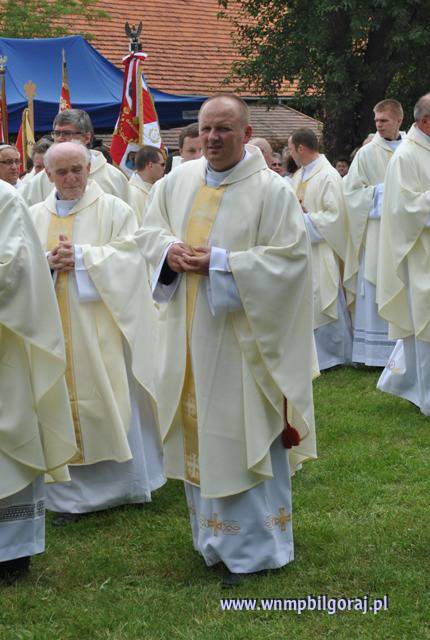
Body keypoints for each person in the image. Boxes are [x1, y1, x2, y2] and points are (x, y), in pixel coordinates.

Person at [135, 94, 317, 586]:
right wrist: (169, 252)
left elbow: (290, 262)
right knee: (202, 433)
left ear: (246, 132)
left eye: (224, 129)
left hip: (243, 344)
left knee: (239, 434)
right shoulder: (176, 181)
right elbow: (147, 233)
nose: (213, 138)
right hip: (188, 335)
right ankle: (212, 540)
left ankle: (254, 550)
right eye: (206, 129)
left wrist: (220, 262)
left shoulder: (271, 191)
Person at [29, 141, 165, 525]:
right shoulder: (33, 215)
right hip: (51, 329)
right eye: (62, 172)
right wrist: (47, 262)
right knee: (55, 401)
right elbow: (21, 264)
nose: (71, 178)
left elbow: (133, 259)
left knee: (110, 398)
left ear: (89, 169)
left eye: (77, 169)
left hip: (101, 326)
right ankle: (67, 496)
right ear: (48, 174)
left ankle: (123, 487)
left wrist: (83, 257)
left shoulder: (115, 210)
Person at [0, 180, 77, 584]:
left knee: (8, 443)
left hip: (5, 345)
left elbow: (12, 268)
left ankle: (10, 553)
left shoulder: (5, 199)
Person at [376, 94, 430, 415]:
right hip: (420, 255)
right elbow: (404, 208)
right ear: (425, 121)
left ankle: (407, 384)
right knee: (425, 324)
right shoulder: (407, 156)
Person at [343, 99, 405, 367]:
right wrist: (384, 192)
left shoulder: (412, 150)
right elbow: (351, 194)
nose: (379, 125)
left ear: (399, 120)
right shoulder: (366, 154)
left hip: (406, 232)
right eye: (376, 120)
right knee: (376, 282)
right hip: (377, 234)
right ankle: (374, 355)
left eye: (384, 120)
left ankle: (404, 349)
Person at [288, 128, 352, 370]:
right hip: (302, 249)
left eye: (291, 149)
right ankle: (310, 356)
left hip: (323, 250)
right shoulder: (298, 176)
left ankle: (332, 356)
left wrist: (303, 219)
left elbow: (336, 217)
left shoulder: (328, 176)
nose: (290, 154)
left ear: (301, 148)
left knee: (324, 297)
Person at [19, 109, 130, 206]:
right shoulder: (43, 178)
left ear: (86, 137)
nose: (60, 138)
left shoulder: (114, 178)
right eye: (57, 133)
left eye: (67, 133)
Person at [129, 145, 165, 225]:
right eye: (162, 164)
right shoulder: (132, 193)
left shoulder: (159, 188)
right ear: (150, 165)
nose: (164, 168)